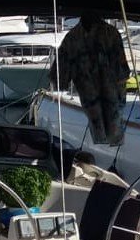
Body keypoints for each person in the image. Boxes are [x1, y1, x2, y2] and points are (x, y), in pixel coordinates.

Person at [55, 13, 130, 145]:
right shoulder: (73, 37)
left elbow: (122, 70)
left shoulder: (110, 34)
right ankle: (107, 141)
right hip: (92, 93)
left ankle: (110, 141)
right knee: (101, 122)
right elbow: (60, 73)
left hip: (107, 92)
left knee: (111, 121)